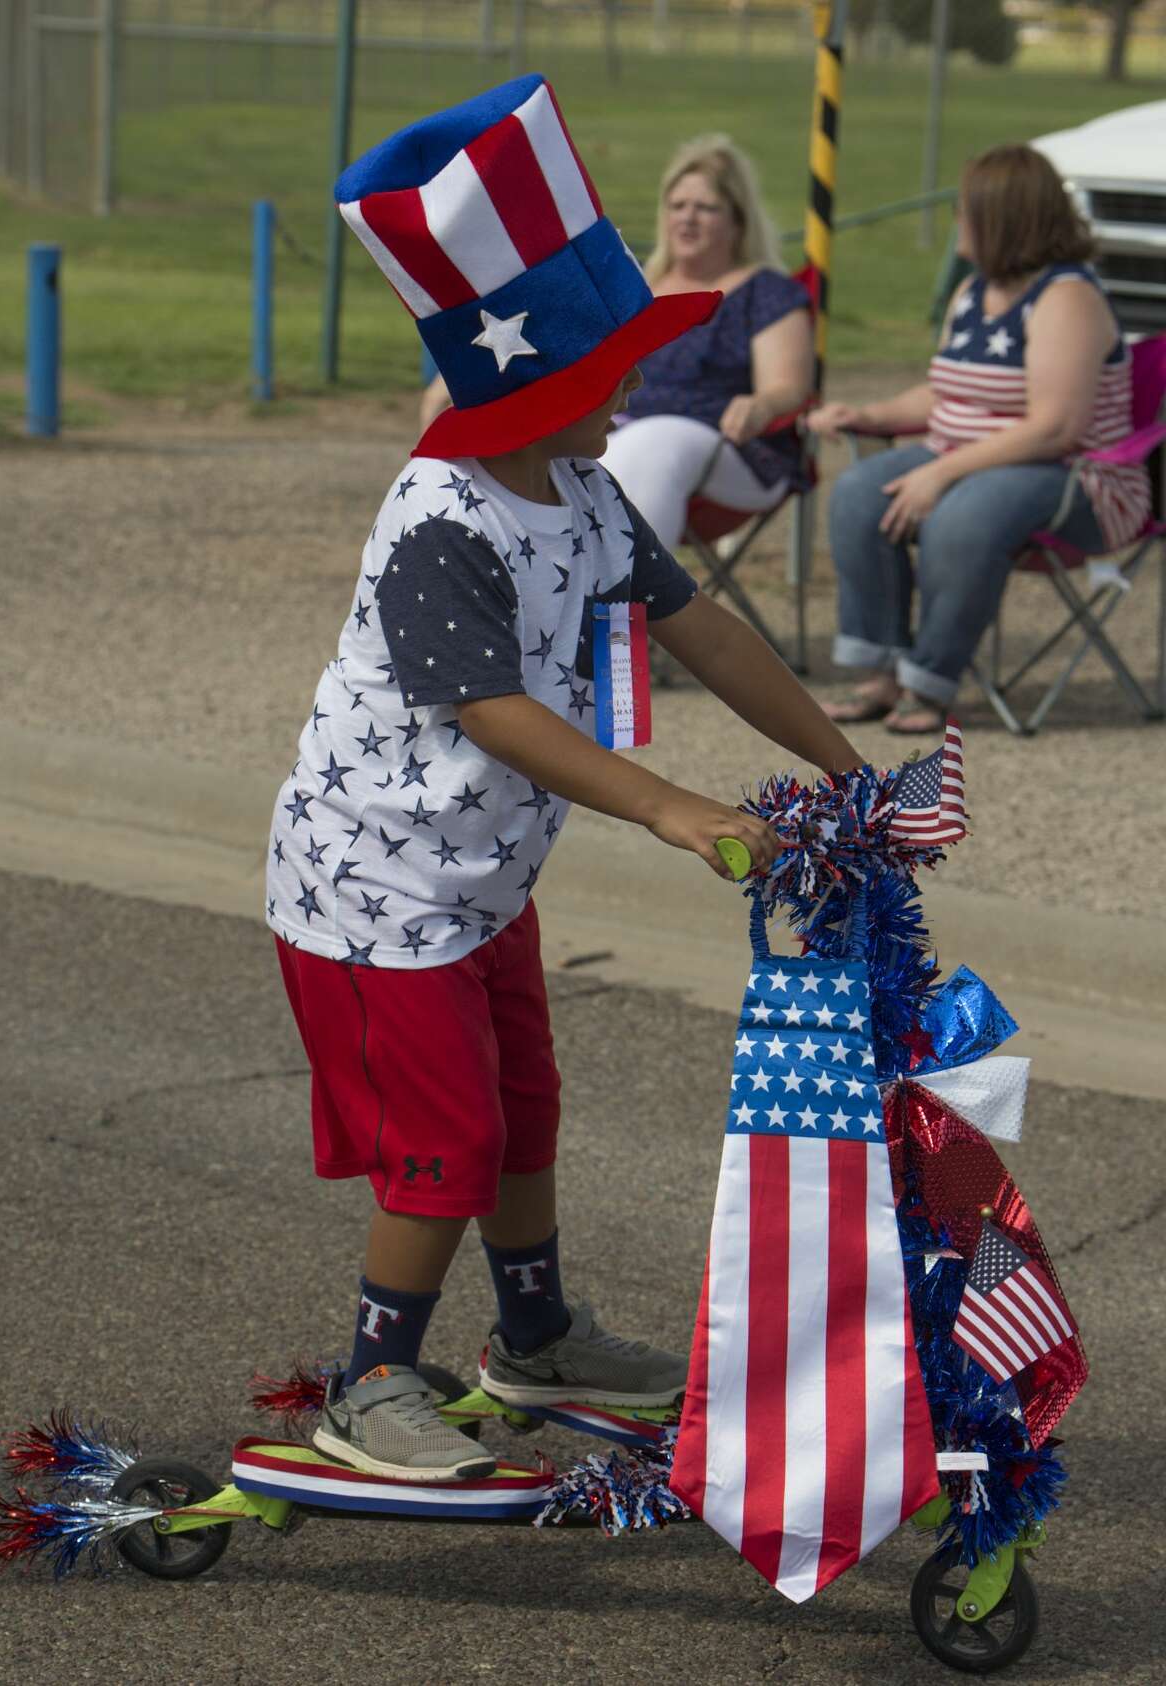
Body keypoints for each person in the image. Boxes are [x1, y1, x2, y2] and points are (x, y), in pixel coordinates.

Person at [266, 75, 860, 1485]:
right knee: (449, 1143)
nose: (639, 387)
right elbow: (491, 708)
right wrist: (668, 805)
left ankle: (531, 1338)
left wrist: (841, 760)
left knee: (526, 1103)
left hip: (481, 882)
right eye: (616, 368)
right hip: (374, 892)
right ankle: (370, 1383)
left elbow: (701, 624)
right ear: (534, 384)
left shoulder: (586, 494)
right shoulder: (441, 513)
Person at [808, 142, 1151, 735]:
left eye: (964, 210)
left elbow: (1056, 426)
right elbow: (946, 394)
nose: (955, 222)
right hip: (974, 463)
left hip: (1081, 481)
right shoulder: (973, 294)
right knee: (860, 492)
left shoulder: (1067, 296)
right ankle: (880, 676)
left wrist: (941, 473)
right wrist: (868, 414)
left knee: (964, 515)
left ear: (1004, 218)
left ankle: (931, 683)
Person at [599, 133, 814, 547]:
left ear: (737, 220)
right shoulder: (636, 285)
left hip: (730, 448)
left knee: (656, 441)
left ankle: (629, 603)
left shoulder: (766, 291)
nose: (687, 218)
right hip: (618, 435)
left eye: (706, 207)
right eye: (677, 206)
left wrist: (763, 404)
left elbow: (788, 386)